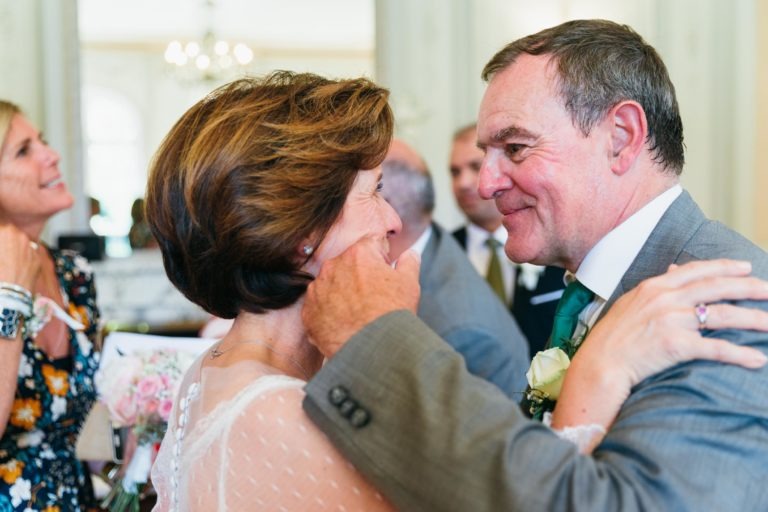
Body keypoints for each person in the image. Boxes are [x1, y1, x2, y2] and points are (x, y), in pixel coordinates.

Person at [300, 20, 768, 511]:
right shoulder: (599, 287)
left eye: (516, 148)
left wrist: (374, 342)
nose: (485, 184)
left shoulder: (725, 303)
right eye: (486, 154)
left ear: (621, 136)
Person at [146, 72, 399, 511]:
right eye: (374, 191)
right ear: (302, 228)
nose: (393, 220)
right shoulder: (276, 410)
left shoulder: (214, 366)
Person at [0, 101, 101, 511]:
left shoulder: (73, 273)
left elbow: (86, 417)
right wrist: (10, 296)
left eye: (41, 141)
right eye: (24, 150)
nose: (51, 154)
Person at [381, 139, 529, 395]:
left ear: (387, 206)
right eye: (454, 172)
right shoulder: (438, 247)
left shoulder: (463, 332)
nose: (464, 183)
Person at [449, 123, 565, 355]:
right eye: (454, 172)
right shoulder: (444, 252)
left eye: (474, 167)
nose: (463, 183)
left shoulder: (553, 243)